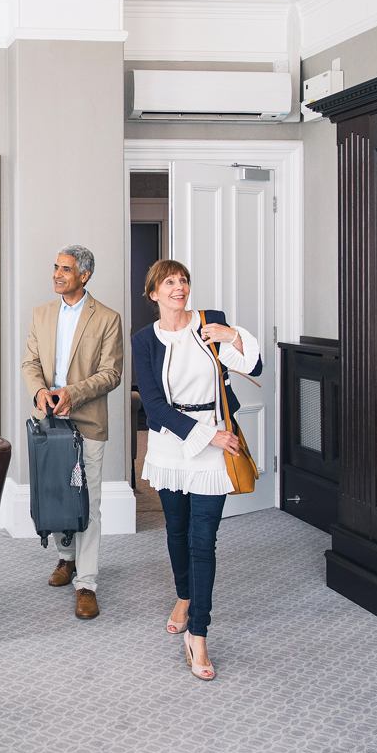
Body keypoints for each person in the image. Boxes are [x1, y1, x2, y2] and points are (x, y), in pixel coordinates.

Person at [130, 259, 261, 680]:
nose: (179, 287)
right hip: (171, 445)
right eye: (169, 282)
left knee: (204, 541)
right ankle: (183, 596)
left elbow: (253, 367)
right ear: (153, 294)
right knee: (176, 532)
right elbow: (152, 407)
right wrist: (208, 436)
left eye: (183, 280)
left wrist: (232, 335)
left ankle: (199, 635)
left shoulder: (211, 324)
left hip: (213, 445)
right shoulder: (143, 341)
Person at [21, 245, 124, 620]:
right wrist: (39, 391)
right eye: (56, 267)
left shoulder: (108, 318)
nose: (56, 274)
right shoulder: (41, 314)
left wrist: (72, 394)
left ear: (84, 275)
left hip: (88, 419)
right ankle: (66, 558)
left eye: (65, 269)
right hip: (48, 418)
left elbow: (112, 374)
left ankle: (88, 582)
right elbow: (30, 362)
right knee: (57, 492)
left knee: (88, 503)